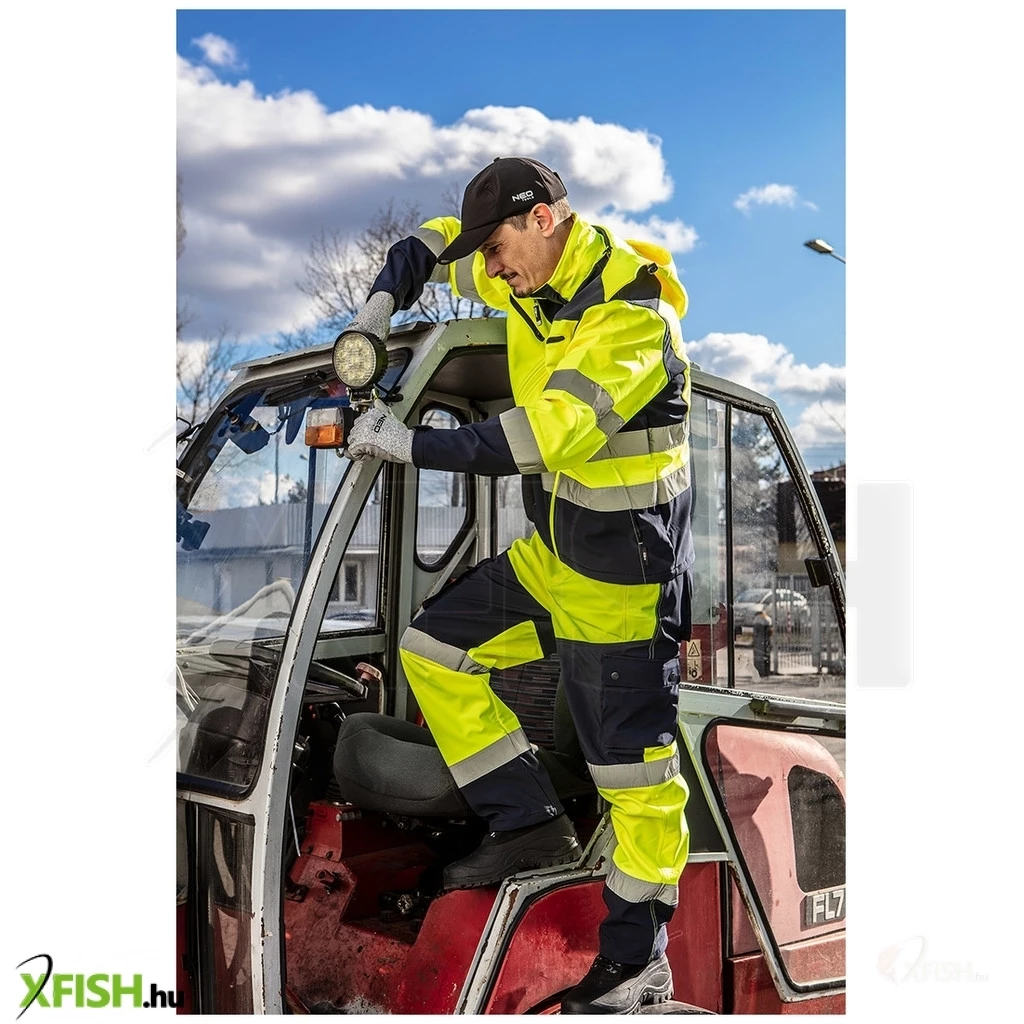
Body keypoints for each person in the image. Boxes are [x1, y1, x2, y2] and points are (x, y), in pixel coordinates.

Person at [344, 156, 694, 1014]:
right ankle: (528, 823)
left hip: (622, 586)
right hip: (556, 557)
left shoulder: (631, 317)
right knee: (433, 648)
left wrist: (409, 445)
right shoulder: (527, 278)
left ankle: (635, 964)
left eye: (498, 250)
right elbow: (438, 244)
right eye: (488, 259)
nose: (491, 272)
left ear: (543, 221)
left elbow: (541, 438)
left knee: (637, 787)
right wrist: (385, 297)